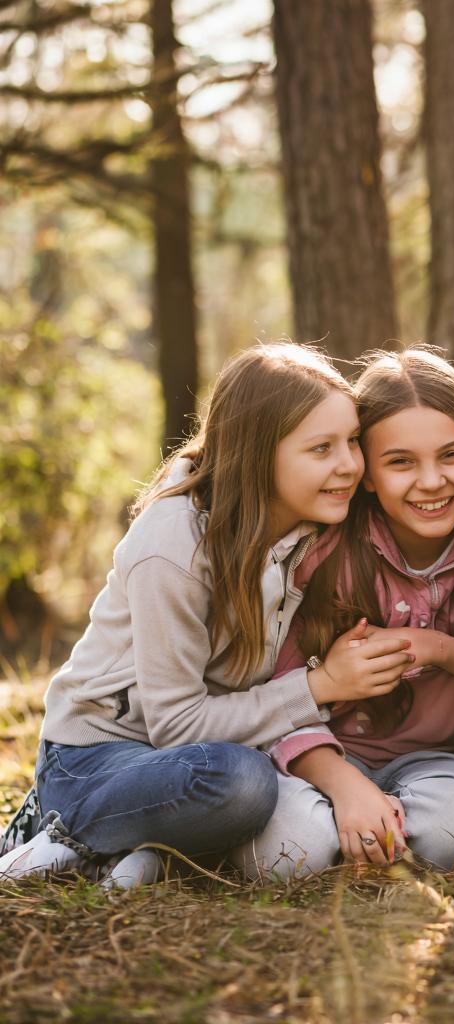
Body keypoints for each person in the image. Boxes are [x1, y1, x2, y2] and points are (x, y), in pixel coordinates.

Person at [0, 343, 370, 887]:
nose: (350, 465)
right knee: (240, 783)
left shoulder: (306, 529)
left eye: (353, 441)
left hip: (192, 755)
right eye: (322, 449)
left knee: (247, 789)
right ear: (257, 454)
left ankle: (138, 851)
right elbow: (176, 725)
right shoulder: (174, 544)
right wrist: (318, 687)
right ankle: (57, 827)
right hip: (96, 758)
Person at [231, 347, 454, 879]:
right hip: (315, 758)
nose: (431, 482)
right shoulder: (322, 549)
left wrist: (438, 648)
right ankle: (348, 825)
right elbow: (278, 688)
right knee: (290, 854)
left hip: (435, 759)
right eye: (401, 462)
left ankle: (373, 834)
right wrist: (344, 784)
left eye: (452, 456)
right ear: (368, 474)